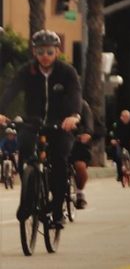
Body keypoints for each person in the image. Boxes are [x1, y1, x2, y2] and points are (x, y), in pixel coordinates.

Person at [0, 30, 85, 227]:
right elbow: (11, 90)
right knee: (25, 147)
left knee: (59, 159)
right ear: (34, 53)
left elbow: (75, 94)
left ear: (57, 51)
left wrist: (73, 116)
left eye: (49, 51)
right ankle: (28, 197)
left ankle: (56, 211)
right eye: (40, 52)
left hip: (61, 124)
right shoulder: (26, 71)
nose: (44, 56)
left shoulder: (67, 72)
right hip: (34, 121)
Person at [110, 110, 130, 184]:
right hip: (120, 142)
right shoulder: (116, 124)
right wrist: (113, 140)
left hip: (129, 142)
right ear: (121, 117)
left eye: (128, 117)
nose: (126, 118)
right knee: (117, 155)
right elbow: (113, 134)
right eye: (125, 117)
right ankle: (119, 174)